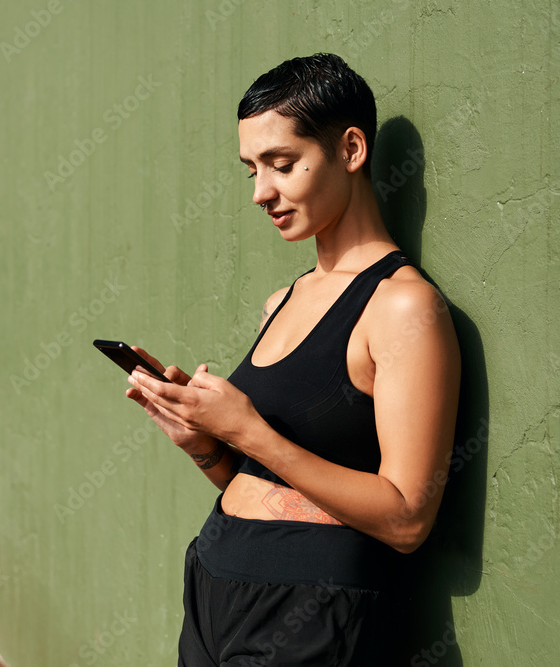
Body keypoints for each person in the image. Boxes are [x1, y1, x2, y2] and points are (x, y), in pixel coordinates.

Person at [126, 53, 461, 665]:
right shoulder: (281, 302)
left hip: (312, 610)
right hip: (213, 584)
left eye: (282, 165)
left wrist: (248, 429)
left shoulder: (404, 307)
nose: (260, 192)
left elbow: (408, 519)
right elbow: (269, 485)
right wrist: (205, 441)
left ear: (351, 149)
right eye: (251, 169)